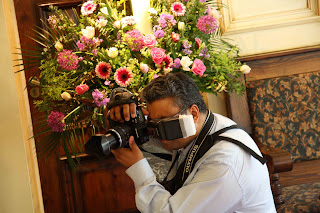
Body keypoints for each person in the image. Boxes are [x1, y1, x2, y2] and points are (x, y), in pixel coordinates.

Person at [107, 72, 276, 213]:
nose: (157, 133)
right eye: (152, 123)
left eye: (164, 123)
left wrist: (137, 169)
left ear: (193, 113)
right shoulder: (204, 125)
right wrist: (122, 102)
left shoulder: (224, 163)